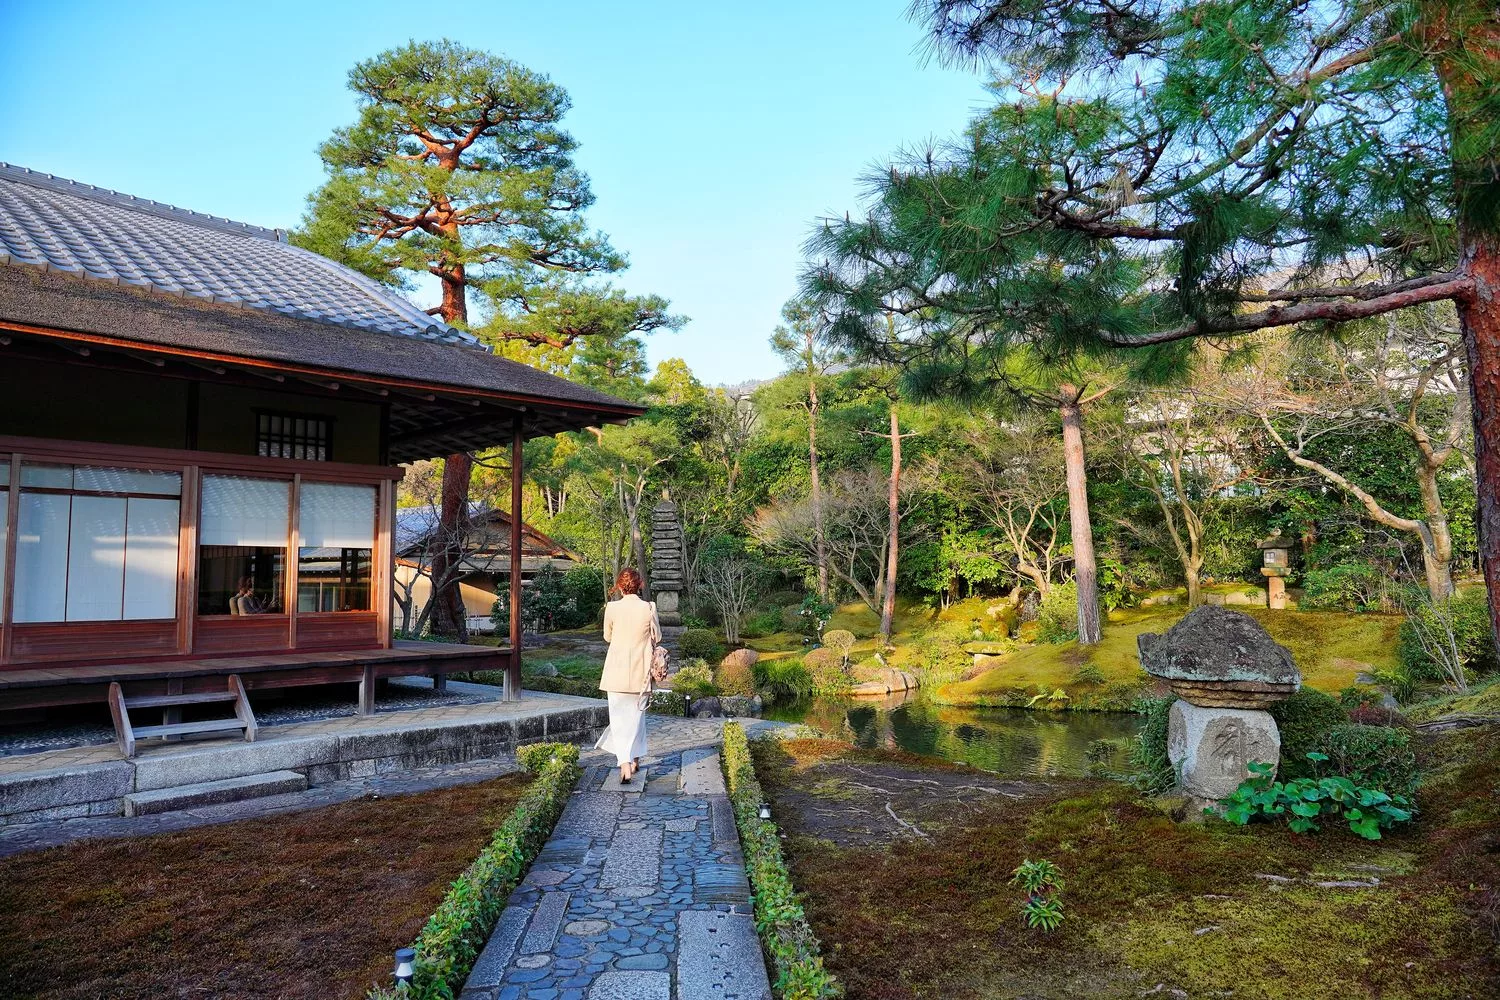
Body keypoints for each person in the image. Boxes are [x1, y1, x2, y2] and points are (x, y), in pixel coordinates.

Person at [595, 568, 660, 784]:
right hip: (640, 672)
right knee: (637, 718)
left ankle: (625, 763)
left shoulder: (612, 608)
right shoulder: (649, 607)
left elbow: (607, 636)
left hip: (616, 670)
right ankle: (632, 759)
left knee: (619, 718)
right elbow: (657, 636)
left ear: (620, 586)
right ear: (639, 584)